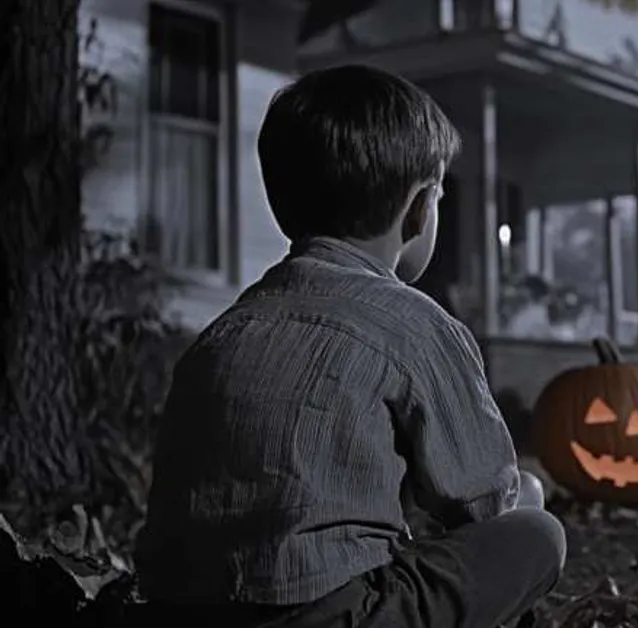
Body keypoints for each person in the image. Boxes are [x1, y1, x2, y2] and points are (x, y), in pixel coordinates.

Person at [135, 65, 566, 628]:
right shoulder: (416, 324)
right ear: (418, 210)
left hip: (179, 614)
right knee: (535, 528)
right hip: (333, 614)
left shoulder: (224, 331)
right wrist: (524, 494)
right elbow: (482, 501)